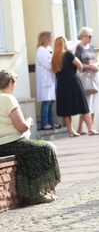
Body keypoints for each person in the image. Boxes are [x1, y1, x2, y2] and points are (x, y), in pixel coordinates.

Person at [0, 69, 60, 205]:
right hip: (12, 143)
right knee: (45, 149)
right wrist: (30, 121)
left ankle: (34, 192)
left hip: (3, 145)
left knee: (31, 150)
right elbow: (21, 127)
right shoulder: (8, 98)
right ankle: (38, 193)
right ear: (10, 82)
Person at [51, 36, 97, 137]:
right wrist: (76, 70)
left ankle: (71, 131)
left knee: (66, 109)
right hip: (73, 82)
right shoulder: (68, 54)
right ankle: (90, 128)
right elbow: (80, 65)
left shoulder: (55, 57)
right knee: (83, 105)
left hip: (62, 84)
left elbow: (54, 70)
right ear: (64, 44)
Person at [75, 27, 99, 135]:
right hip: (85, 77)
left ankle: (92, 125)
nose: (90, 38)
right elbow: (77, 63)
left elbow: (97, 60)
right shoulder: (78, 49)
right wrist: (88, 66)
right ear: (83, 36)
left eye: (91, 36)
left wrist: (96, 65)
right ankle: (81, 127)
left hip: (95, 76)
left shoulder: (91, 47)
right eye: (89, 36)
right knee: (86, 103)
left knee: (95, 101)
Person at [35, 31, 58, 130]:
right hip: (45, 79)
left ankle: (51, 122)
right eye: (50, 38)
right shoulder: (41, 50)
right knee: (46, 102)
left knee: (52, 102)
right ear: (46, 39)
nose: (51, 40)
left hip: (51, 78)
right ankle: (45, 123)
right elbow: (48, 64)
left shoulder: (49, 49)